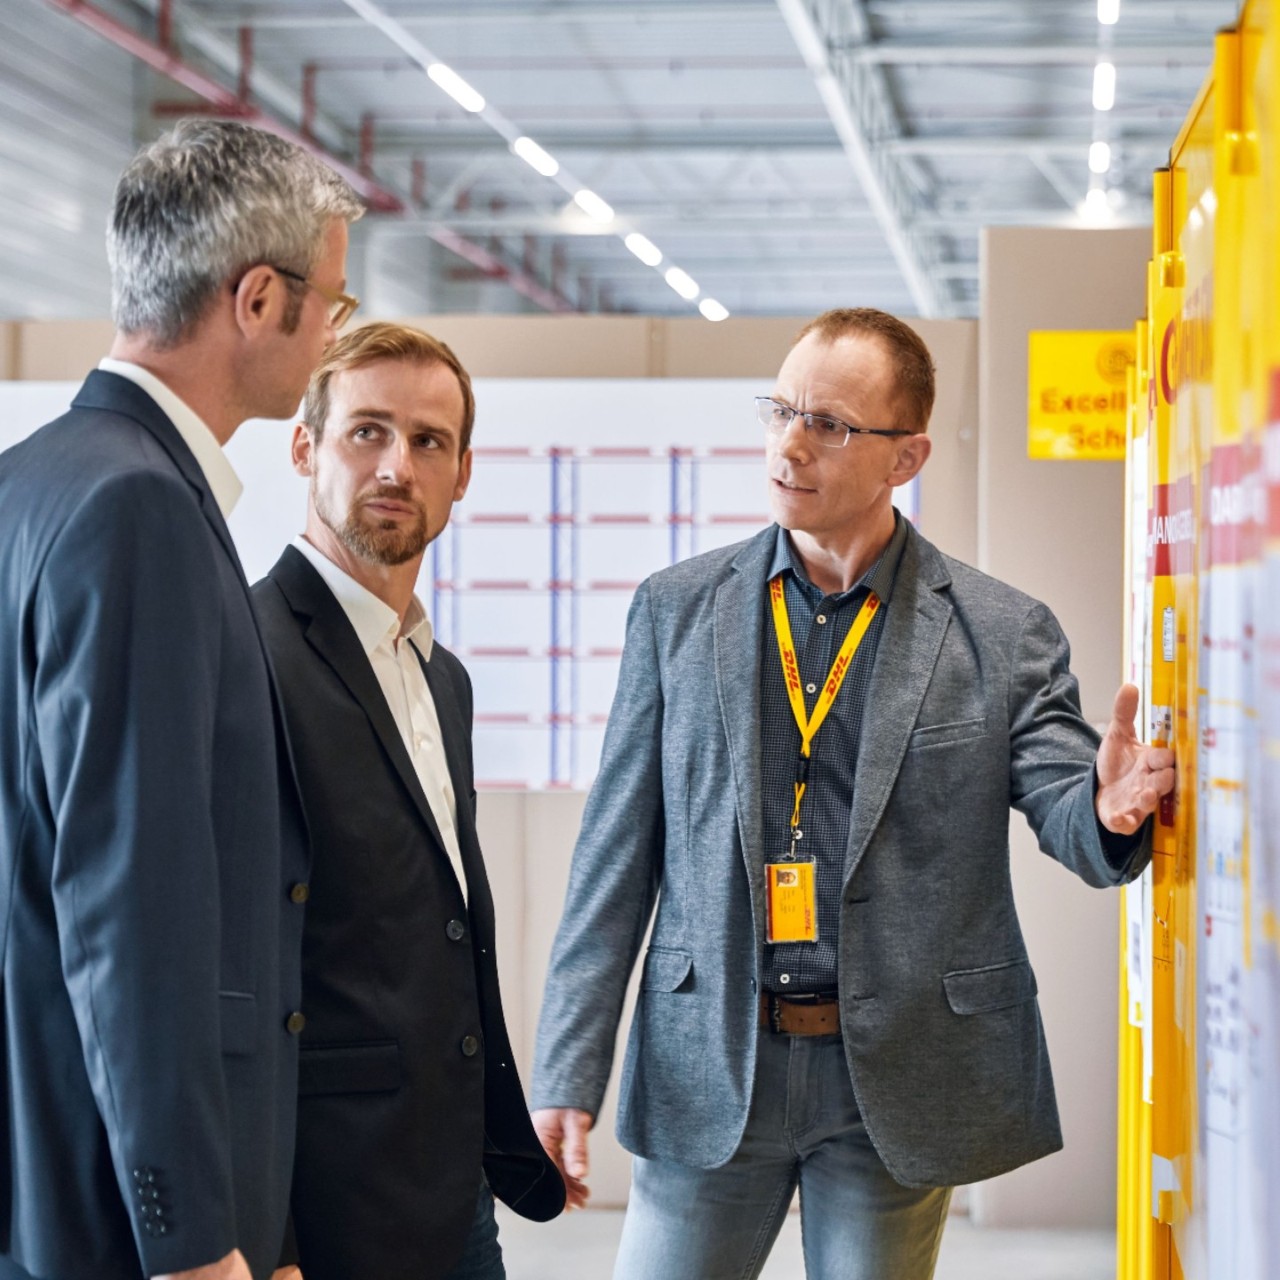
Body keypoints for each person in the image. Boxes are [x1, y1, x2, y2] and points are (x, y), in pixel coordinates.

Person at [529, 308, 1175, 1280]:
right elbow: (611, 858)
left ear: (904, 457)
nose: (789, 445)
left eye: (827, 424)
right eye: (781, 410)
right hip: (713, 1059)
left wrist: (1103, 805)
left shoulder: (1001, 632)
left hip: (897, 1074)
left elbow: (1065, 801)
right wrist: (565, 1070)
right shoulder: (677, 610)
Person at [0, 120, 362, 1280]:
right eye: (332, 303)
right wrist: (195, 1237)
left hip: (46, 1153)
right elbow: (130, 899)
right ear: (258, 299)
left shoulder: (31, 480)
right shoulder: (140, 508)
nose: (334, 333)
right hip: (119, 1203)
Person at [252, 322, 566, 1280]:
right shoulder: (246, 654)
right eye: (368, 431)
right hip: (324, 1195)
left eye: (429, 441)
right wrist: (268, 1237)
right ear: (305, 448)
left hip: (452, 1178)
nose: (397, 466)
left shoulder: (443, 678)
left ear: (462, 473)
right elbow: (224, 967)